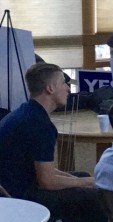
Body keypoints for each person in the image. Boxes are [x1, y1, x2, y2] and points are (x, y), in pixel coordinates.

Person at [0, 63, 106, 221]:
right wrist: (87, 182)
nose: (68, 89)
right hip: (18, 196)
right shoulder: (39, 125)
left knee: (82, 177)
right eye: (63, 83)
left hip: (12, 184)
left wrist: (80, 181)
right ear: (50, 88)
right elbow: (47, 181)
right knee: (91, 196)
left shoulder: (26, 113)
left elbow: (44, 171)